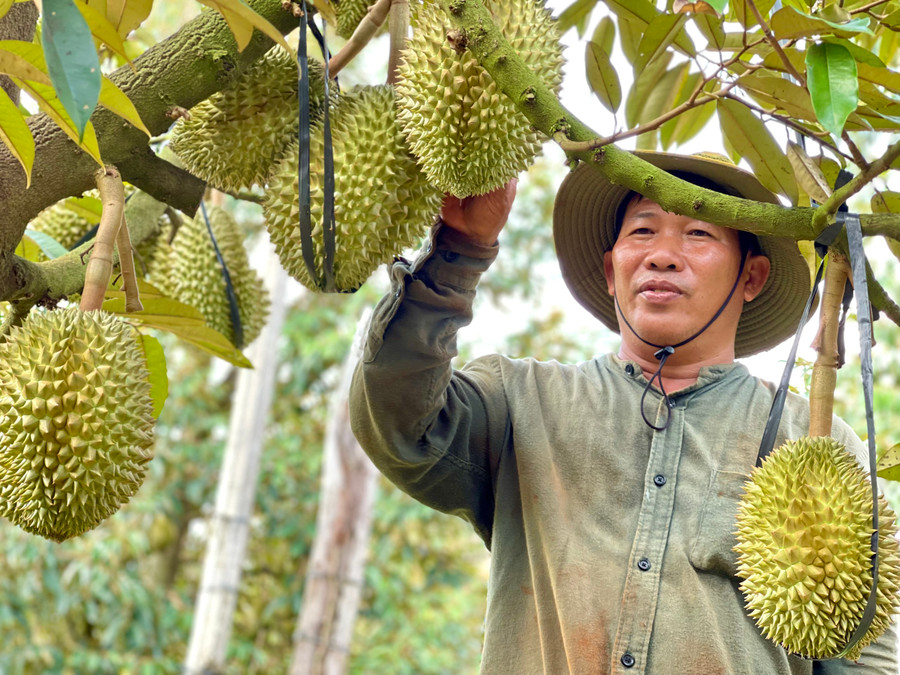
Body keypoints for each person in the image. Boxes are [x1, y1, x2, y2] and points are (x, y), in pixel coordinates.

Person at [348, 151, 899, 674]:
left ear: (750, 277)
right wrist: (459, 251)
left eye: (699, 232)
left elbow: (862, 655)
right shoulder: (521, 401)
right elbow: (398, 423)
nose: (662, 253)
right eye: (642, 230)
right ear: (613, 271)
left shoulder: (813, 442)